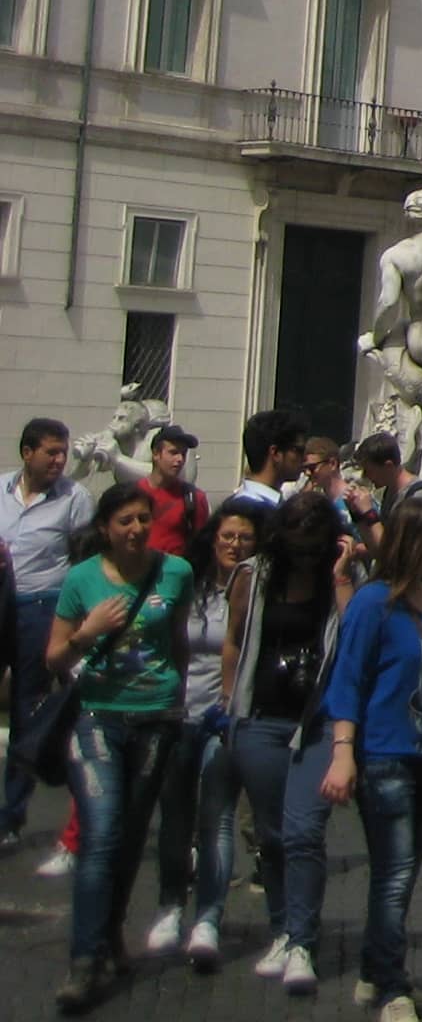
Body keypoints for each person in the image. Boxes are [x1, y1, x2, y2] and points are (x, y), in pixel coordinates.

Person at [285, 491, 422, 1022]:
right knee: (394, 874)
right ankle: (391, 988)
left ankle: (374, 972)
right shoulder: (373, 602)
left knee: (402, 874)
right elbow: (347, 680)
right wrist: (342, 753)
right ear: (419, 542)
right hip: (384, 756)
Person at [48, 482, 196, 1011]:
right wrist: (87, 632)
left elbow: (177, 640)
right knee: (101, 834)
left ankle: (110, 932)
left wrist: (178, 698)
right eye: (125, 521)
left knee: (131, 836)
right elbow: (54, 658)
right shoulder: (81, 579)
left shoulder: (175, 572)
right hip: (98, 717)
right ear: (105, 529)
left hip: (156, 717)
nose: (136, 530)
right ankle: (83, 961)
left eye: (142, 519)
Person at [225, 489, 351, 985]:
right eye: (296, 547)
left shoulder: (337, 576)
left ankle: (303, 940)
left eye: (312, 548)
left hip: (318, 723)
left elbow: (353, 634)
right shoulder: (254, 576)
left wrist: (340, 574)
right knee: (272, 836)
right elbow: (234, 638)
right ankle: (281, 929)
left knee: (303, 832)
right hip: (261, 718)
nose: (303, 557)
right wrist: (229, 701)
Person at [144, 497, 260, 974]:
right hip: (177, 713)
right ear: (212, 539)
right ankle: (171, 905)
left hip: (223, 718)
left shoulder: (257, 590)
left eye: (245, 538)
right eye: (227, 536)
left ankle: (209, 918)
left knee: (217, 817)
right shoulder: (189, 585)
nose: (234, 545)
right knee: (174, 817)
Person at [4, 415, 98, 851]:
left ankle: (10, 814)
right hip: (0, 601)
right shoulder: (1, 489)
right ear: (28, 453)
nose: (60, 460)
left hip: (41, 607)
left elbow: (84, 558)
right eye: (51, 452)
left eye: (63, 452)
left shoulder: (74, 499)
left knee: (27, 708)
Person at [132, 429, 206, 566]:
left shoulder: (194, 498)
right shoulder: (132, 494)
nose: (180, 459)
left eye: (183, 454)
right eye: (173, 453)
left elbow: (202, 546)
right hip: (135, 571)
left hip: (174, 573)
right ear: (156, 454)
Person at [224, 412, 307, 516]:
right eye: (299, 450)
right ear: (275, 453)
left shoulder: (272, 505)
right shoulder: (248, 512)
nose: (305, 458)